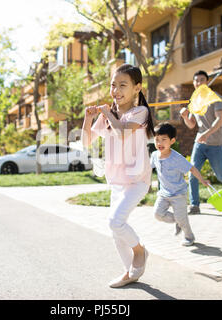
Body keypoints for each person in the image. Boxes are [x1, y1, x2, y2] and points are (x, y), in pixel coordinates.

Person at [81, 64, 155, 288]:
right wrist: (87, 118)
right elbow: (86, 143)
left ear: (137, 88)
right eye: (114, 85)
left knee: (115, 221)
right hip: (116, 180)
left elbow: (122, 132)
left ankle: (139, 251)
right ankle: (129, 272)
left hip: (137, 180)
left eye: (123, 85)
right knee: (115, 230)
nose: (116, 90)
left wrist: (106, 113)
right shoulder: (108, 115)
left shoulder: (139, 113)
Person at [180, 70, 222, 215]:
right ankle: (194, 205)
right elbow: (191, 125)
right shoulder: (194, 101)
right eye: (196, 80)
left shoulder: (216, 98)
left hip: (216, 143)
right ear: (194, 83)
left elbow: (219, 120)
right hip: (200, 144)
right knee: (192, 174)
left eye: (201, 80)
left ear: (207, 82)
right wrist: (185, 116)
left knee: (221, 176)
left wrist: (206, 133)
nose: (198, 83)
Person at [151, 123, 210, 246]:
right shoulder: (155, 155)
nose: (159, 143)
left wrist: (202, 180)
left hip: (178, 194)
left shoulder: (176, 158)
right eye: (157, 140)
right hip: (164, 193)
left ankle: (189, 237)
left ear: (172, 141)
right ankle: (178, 221)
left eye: (163, 139)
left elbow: (192, 169)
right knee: (157, 214)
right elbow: (147, 168)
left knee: (182, 219)